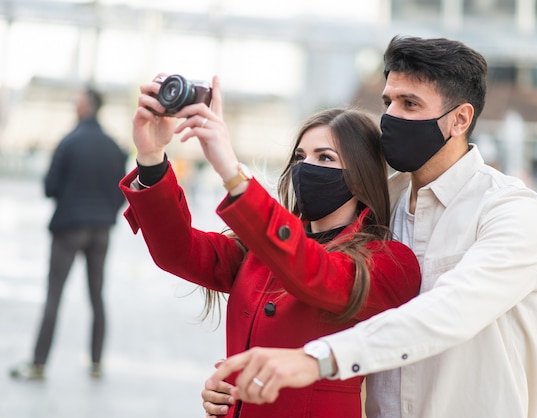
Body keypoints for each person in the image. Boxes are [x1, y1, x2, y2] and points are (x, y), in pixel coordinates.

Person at [203, 35, 537, 418]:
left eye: (410, 104)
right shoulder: (381, 203)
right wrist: (240, 386)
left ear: (460, 119)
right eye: (389, 102)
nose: (391, 117)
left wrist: (315, 360)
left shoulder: (511, 210)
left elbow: (452, 309)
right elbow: (314, 273)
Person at [118, 73, 421, 418]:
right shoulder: (259, 250)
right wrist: (151, 156)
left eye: (325, 158)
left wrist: (231, 169)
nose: (306, 167)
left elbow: (315, 274)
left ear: (362, 174)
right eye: (300, 157)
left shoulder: (390, 262)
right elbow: (179, 250)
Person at [10, 88, 128, 380]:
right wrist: (104, 212)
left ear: (85, 106)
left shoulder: (68, 141)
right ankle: (97, 363)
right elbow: (123, 193)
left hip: (68, 229)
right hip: (101, 230)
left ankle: (39, 364)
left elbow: (50, 187)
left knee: (54, 296)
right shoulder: (115, 148)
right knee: (97, 295)